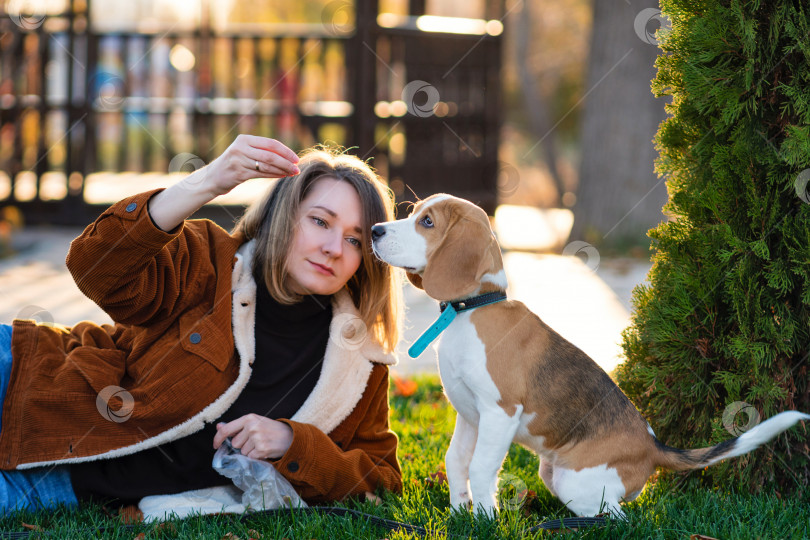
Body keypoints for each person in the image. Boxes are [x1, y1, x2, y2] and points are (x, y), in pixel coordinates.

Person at [0, 136, 403, 512]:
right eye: (320, 221)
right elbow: (96, 267)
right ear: (284, 216)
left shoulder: (359, 361)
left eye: (354, 239)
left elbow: (381, 480)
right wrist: (209, 181)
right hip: (29, 379)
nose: (334, 248)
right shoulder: (211, 263)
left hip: (64, 483)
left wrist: (292, 443)